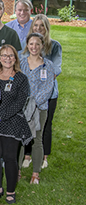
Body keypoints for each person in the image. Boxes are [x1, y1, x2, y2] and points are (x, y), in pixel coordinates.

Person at [0, 45, 32, 205]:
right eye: (4, 55)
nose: (7, 58)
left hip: (13, 121)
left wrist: (0, 116)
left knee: (9, 157)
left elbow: (19, 103)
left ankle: (10, 191)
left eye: (11, 56)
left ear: (15, 58)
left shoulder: (21, 79)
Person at [25, 15, 62, 168]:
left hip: (48, 93)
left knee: (44, 124)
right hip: (29, 94)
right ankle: (27, 155)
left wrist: (44, 84)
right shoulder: (28, 43)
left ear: (47, 28)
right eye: (36, 25)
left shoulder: (54, 46)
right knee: (27, 123)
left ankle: (44, 156)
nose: (39, 28)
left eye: (42, 26)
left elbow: (56, 69)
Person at [20, 33, 56, 184]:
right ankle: (17, 170)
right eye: (31, 44)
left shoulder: (48, 65)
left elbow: (48, 88)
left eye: (37, 44)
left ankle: (36, 173)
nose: (34, 47)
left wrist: (33, 104)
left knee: (37, 139)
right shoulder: (21, 63)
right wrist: (23, 103)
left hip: (40, 108)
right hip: (21, 107)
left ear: (42, 46)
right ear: (27, 45)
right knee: (20, 139)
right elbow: (17, 83)